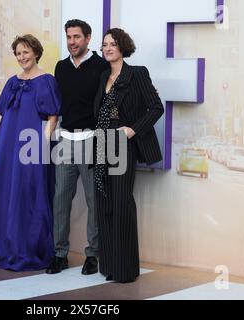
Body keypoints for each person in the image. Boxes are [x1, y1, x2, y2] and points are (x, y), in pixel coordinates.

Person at [0, 34, 60, 271]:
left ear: (35, 52)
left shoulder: (47, 80)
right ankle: (0, 245)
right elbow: (2, 110)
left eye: (26, 51)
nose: (22, 57)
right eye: (18, 53)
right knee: (3, 191)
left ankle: (25, 247)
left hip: (31, 146)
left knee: (28, 193)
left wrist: (43, 142)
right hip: (7, 144)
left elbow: (53, 115)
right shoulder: (11, 82)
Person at [94, 28, 164, 283]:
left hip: (123, 143)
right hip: (102, 142)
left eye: (113, 44)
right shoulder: (103, 76)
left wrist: (133, 129)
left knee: (122, 203)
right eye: (104, 44)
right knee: (104, 203)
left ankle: (125, 270)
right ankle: (109, 267)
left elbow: (157, 108)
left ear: (123, 47)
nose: (108, 48)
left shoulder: (137, 73)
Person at [46, 19, 109, 275]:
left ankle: (93, 255)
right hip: (66, 141)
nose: (72, 42)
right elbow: (56, 105)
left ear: (88, 38)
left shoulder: (101, 66)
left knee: (95, 201)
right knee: (60, 199)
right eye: (69, 37)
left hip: (94, 140)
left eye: (77, 37)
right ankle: (59, 254)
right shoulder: (61, 67)